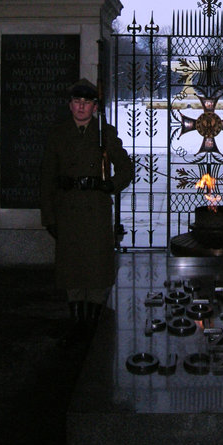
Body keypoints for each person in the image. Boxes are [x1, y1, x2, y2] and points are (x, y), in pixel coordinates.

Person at [41, 78, 134, 344]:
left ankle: (92, 318)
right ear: (70, 105)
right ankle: (76, 318)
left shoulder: (105, 133)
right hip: (68, 209)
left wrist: (110, 185)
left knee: (95, 266)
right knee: (71, 267)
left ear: (94, 107)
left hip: (95, 208)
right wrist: (49, 216)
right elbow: (47, 177)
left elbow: (127, 169)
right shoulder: (58, 134)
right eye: (77, 102)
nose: (81, 108)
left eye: (87, 103)